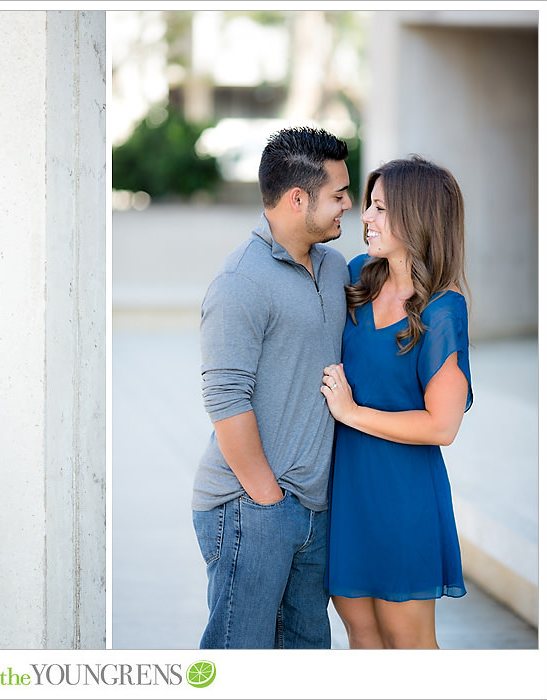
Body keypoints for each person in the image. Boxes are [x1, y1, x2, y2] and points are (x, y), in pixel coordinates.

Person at [191, 126, 352, 649]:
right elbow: (224, 398)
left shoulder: (334, 268)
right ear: (297, 198)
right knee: (241, 656)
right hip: (250, 504)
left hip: (314, 509)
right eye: (338, 195)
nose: (347, 205)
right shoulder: (240, 281)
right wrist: (268, 499)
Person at [320, 155, 472, 649]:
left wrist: (352, 413)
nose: (365, 217)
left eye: (380, 208)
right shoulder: (359, 275)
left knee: (409, 650)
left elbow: (441, 426)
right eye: (369, 205)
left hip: (403, 496)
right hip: (348, 492)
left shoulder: (443, 309)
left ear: (418, 215)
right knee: (362, 639)